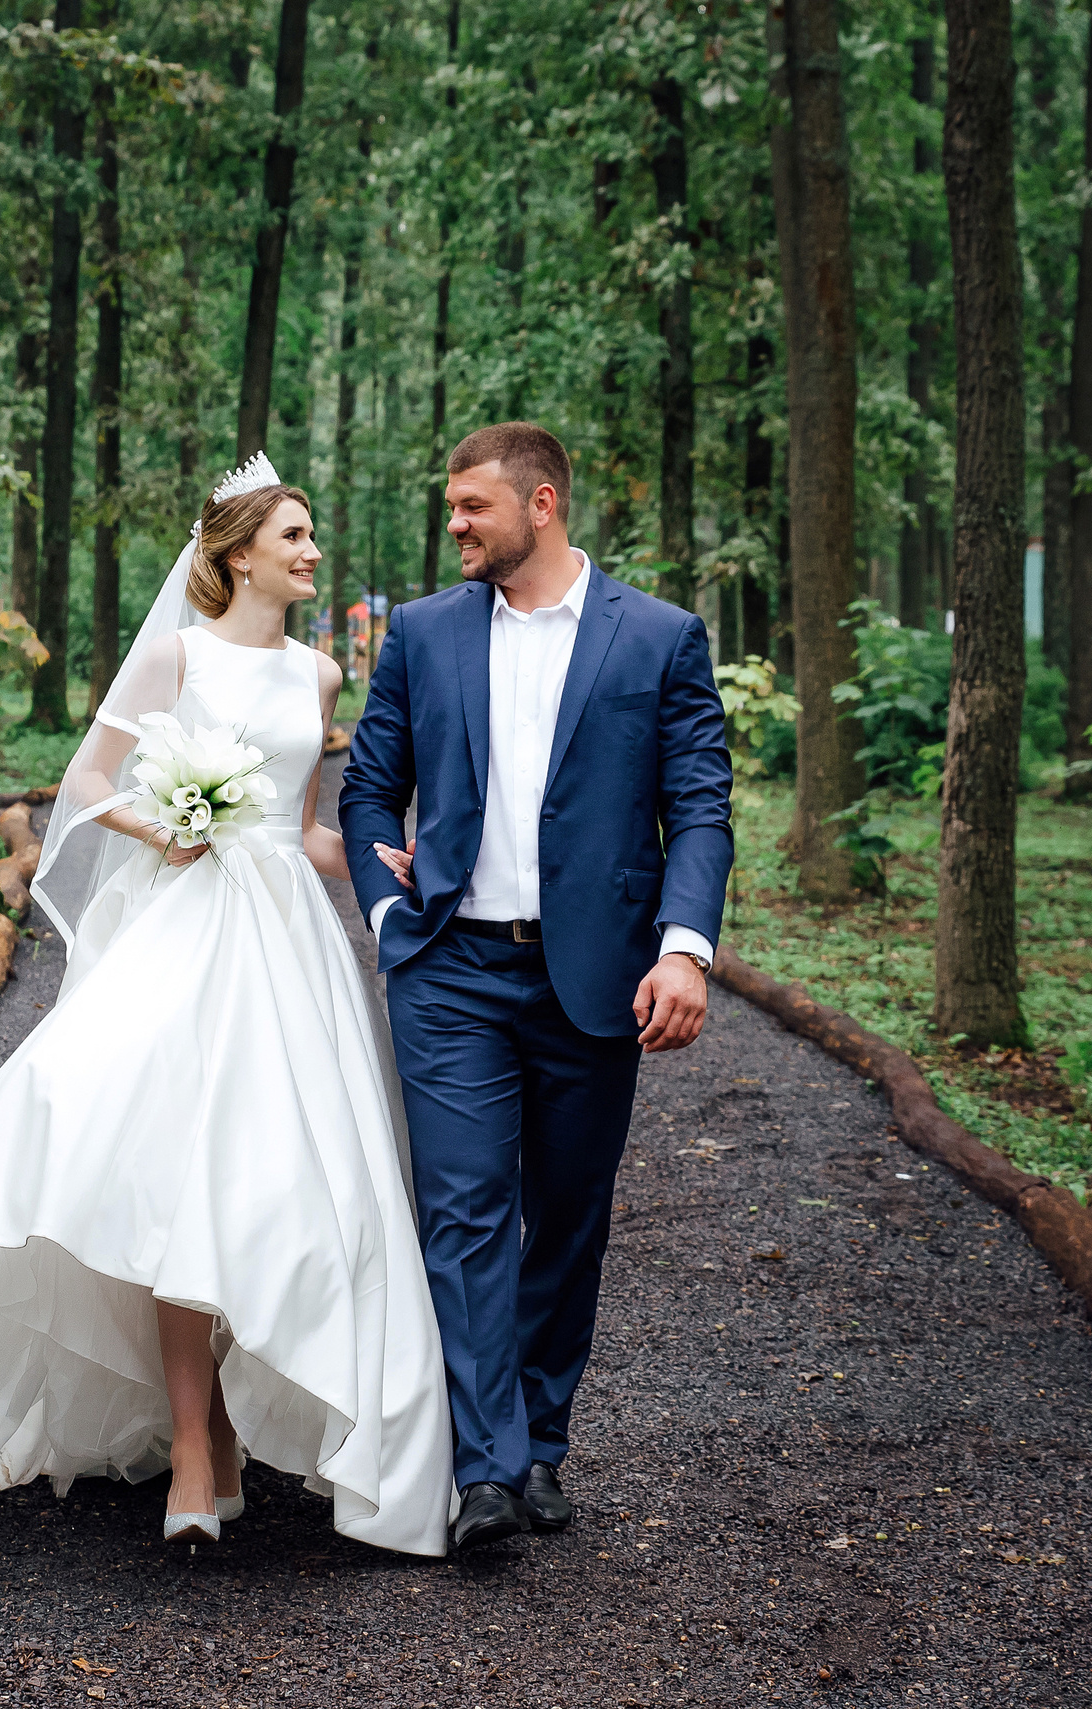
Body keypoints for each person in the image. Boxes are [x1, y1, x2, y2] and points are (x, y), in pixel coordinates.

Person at [0, 452, 456, 1557]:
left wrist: (387, 862)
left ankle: (263, 1409)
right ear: (238, 556)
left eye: (310, 532)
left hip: (286, 938)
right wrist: (169, 820)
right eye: (293, 534)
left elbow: (308, 822)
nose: (312, 549)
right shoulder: (177, 657)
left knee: (284, 1181)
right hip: (188, 928)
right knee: (177, 1179)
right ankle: (195, 1439)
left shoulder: (322, 675)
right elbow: (89, 782)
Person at [338, 421, 734, 1551]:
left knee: (565, 1216)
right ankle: (486, 1469)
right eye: (450, 506)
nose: (452, 524)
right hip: (450, 967)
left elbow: (698, 806)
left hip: (595, 975)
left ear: (543, 503)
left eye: (471, 506)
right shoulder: (420, 633)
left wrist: (684, 946)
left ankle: (540, 1439)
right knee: (462, 1209)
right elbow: (370, 791)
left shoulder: (658, 637)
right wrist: (384, 912)